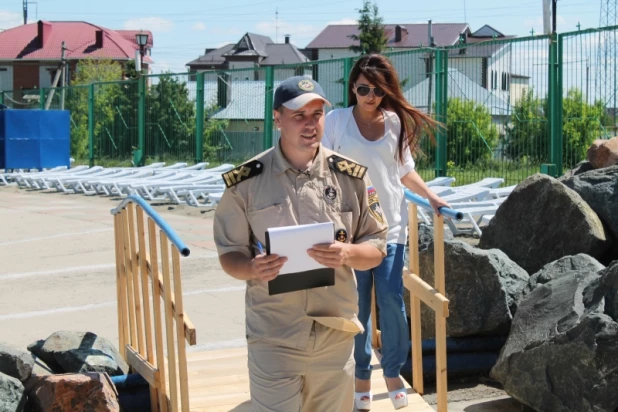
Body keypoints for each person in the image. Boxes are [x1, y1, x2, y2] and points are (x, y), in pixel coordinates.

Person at [213, 75, 388, 412]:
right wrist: (251, 267)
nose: (310, 125)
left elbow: (376, 248)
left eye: (317, 115)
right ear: (277, 118)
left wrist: (348, 253)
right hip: (274, 335)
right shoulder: (245, 182)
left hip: (334, 332)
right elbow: (229, 253)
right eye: (299, 116)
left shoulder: (351, 177)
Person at [322, 54, 450, 411]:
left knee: (392, 302)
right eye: (363, 88)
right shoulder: (336, 121)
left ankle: (392, 370)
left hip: (390, 226)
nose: (370, 96)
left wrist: (431, 196)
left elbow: (404, 171)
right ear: (353, 87)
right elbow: (322, 168)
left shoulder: (393, 122)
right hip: (351, 230)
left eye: (377, 90)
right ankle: (362, 373)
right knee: (357, 306)